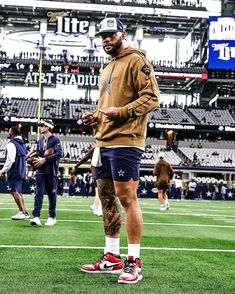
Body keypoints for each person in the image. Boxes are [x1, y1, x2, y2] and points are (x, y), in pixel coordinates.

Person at [81, 18, 160, 284]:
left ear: (122, 35)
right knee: (105, 197)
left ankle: (134, 261)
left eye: (111, 35)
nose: (106, 39)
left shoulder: (137, 61)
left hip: (126, 140)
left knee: (127, 198)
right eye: (102, 36)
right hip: (103, 140)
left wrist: (122, 112)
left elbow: (152, 97)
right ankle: (112, 256)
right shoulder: (106, 68)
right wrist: (96, 117)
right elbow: (108, 105)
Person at [28, 119, 63, 226]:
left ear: (47, 127)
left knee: (52, 195)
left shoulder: (55, 140)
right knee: (38, 194)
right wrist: (32, 156)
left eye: (42, 126)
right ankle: (36, 217)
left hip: (51, 172)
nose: (40, 127)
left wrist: (45, 159)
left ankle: (52, 217)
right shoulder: (40, 141)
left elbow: (59, 154)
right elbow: (39, 153)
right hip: (40, 171)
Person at [0, 126, 29, 220]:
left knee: (14, 191)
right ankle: (25, 211)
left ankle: (22, 212)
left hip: (14, 171)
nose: (8, 133)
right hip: (22, 171)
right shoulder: (23, 144)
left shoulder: (11, 144)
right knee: (18, 192)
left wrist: (3, 170)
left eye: (9, 131)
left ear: (12, 133)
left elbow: (10, 159)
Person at [70, 147, 102, 216]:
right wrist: (75, 166)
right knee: (99, 191)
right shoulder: (94, 150)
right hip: (97, 172)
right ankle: (98, 208)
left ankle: (94, 205)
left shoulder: (105, 148)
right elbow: (84, 158)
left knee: (99, 191)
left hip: (103, 172)